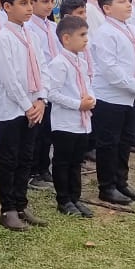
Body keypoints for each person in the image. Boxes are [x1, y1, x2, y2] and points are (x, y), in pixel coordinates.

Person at [0, 0, 48, 230]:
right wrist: (27, 106)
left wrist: (41, 99)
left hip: (33, 106)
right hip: (12, 108)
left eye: (31, 3)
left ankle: (21, 203)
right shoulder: (3, 38)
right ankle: (8, 209)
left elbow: (42, 68)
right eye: (23, 3)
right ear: (7, 6)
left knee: (26, 157)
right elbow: (8, 78)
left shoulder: (32, 35)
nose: (29, 8)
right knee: (10, 158)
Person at [90, 0, 135, 205]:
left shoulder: (133, 29)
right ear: (107, 8)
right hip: (111, 99)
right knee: (109, 144)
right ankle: (107, 187)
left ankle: (121, 182)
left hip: (132, 98)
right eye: (122, 1)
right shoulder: (104, 33)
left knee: (125, 142)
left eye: (128, 0)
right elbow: (110, 69)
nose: (128, 5)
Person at [43, 16, 95, 217]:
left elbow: (88, 86)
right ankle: (63, 200)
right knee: (63, 161)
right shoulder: (59, 63)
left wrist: (91, 99)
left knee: (76, 161)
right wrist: (78, 104)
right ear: (66, 38)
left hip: (82, 121)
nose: (86, 39)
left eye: (86, 34)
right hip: (65, 122)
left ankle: (75, 197)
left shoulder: (81, 61)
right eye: (81, 35)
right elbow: (52, 93)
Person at [25, 0, 60, 190]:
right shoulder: (29, 28)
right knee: (36, 132)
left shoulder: (53, 27)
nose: (49, 6)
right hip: (38, 86)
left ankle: (43, 167)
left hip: (53, 84)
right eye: (44, 1)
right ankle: (32, 171)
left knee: (48, 131)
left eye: (52, 1)